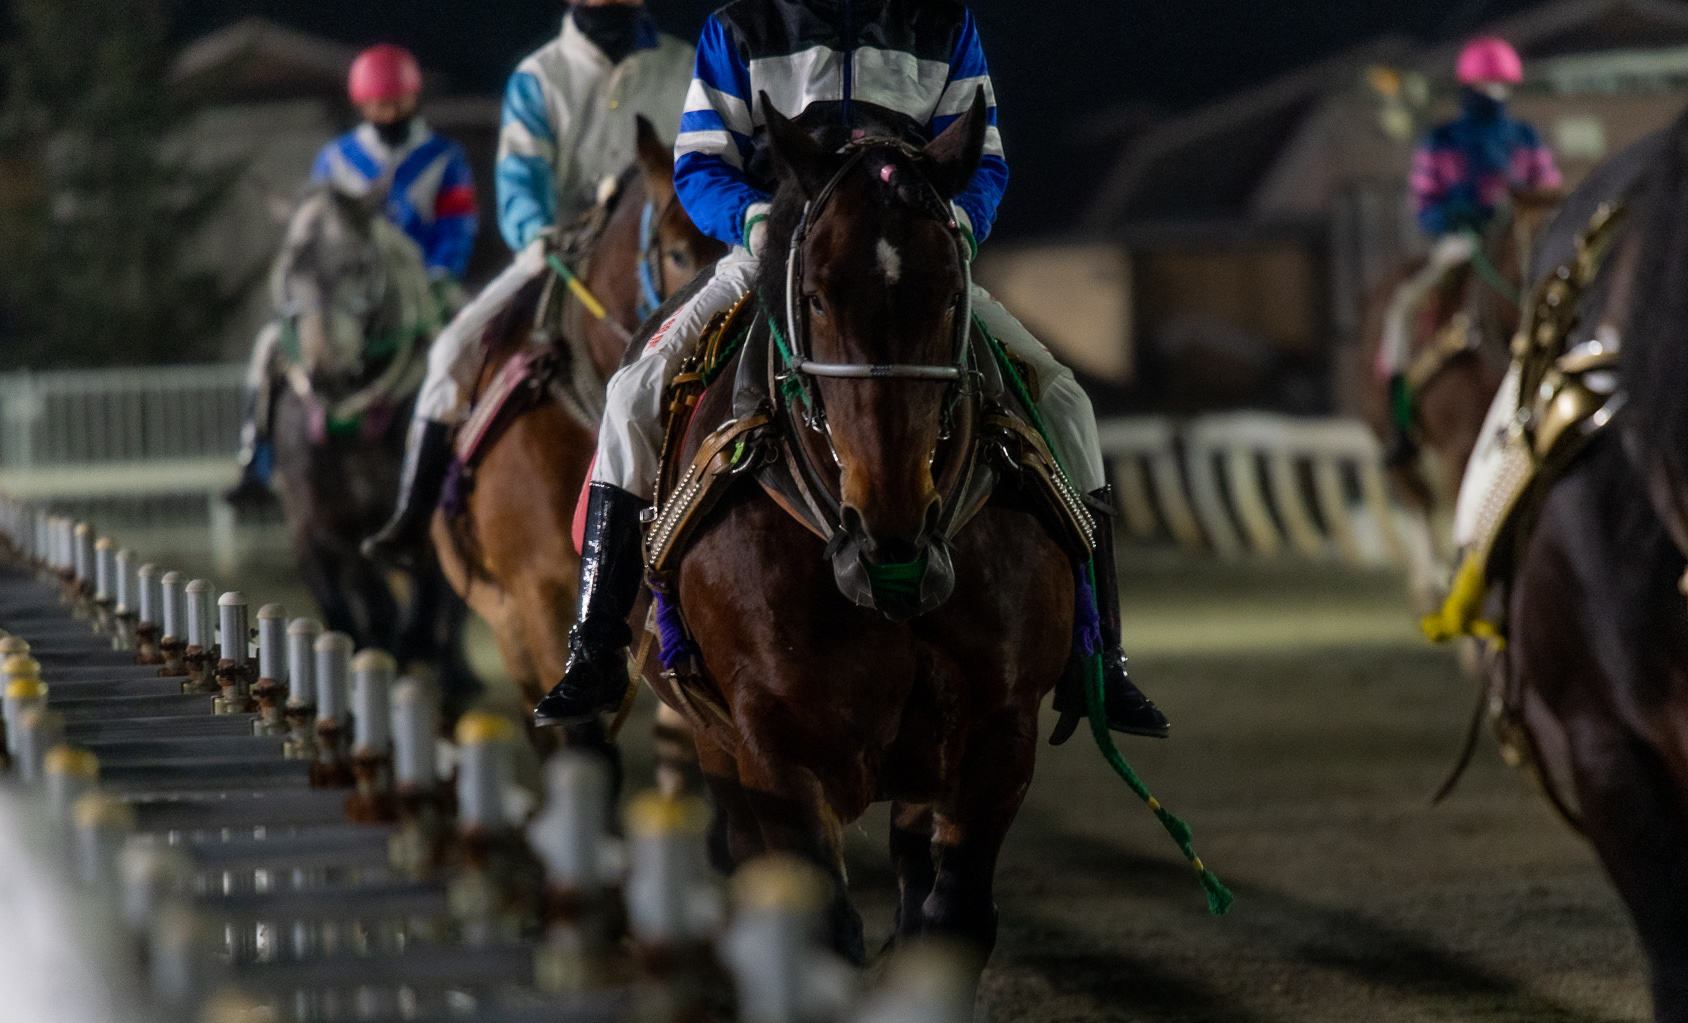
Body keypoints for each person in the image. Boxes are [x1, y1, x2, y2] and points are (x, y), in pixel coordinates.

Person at [531, 0, 1170, 741]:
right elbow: (699, 163)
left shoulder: (939, 22)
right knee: (633, 390)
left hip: (908, 257)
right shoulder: (740, 27)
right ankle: (598, 645)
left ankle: (1102, 659)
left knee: (1063, 397)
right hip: (780, 253)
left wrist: (951, 223)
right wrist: (758, 220)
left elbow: (983, 158)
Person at [359, 0, 694, 565]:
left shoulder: (685, 65)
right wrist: (533, 230)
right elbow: (521, 176)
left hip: (678, 256)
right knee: (447, 354)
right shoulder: (539, 77)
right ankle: (414, 519)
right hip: (561, 252)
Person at [228, 43, 479, 510]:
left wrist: (441, 271)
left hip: (427, 284)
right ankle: (254, 460)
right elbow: (320, 229)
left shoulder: (445, 157)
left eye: (397, 104)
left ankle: (471, 454)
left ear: (413, 100)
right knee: (270, 346)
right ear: (361, 105)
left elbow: (457, 224)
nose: (388, 113)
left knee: (474, 337)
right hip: (350, 291)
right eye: (378, 105)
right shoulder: (337, 159)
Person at [1377, 36, 1560, 467]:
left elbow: (1548, 188)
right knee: (1401, 310)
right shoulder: (1441, 140)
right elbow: (1425, 207)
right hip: (1464, 244)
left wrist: (1530, 206)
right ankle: (1399, 423)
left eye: (1501, 84)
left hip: (1520, 243)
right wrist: (1461, 213)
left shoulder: (1525, 137)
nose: (1495, 92)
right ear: (1468, 87)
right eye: (1487, 85)